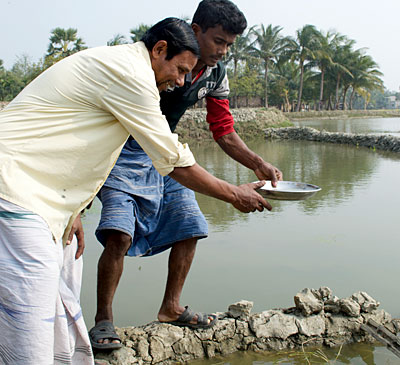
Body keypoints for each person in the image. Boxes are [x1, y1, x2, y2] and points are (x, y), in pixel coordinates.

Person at [0, 17, 269, 364]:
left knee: (60, 294)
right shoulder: (133, 76)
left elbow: (74, 144)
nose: (181, 82)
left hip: (44, 195)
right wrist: (235, 194)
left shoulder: (134, 68)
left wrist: (71, 209)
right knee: (32, 312)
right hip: (14, 188)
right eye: (180, 70)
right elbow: (174, 161)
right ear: (159, 50)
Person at [90, 0, 283, 351]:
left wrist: (257, 163)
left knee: (190, 225)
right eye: (219, 41)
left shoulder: (214, 73)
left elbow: (223, 130)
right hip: (121, 151)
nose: (222, 52)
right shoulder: (154, 58)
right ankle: (104, 319)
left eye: (229, 45)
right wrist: (231, 193)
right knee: (119, 233)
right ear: (196, 32)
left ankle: (171, 306)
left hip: (167, 154)